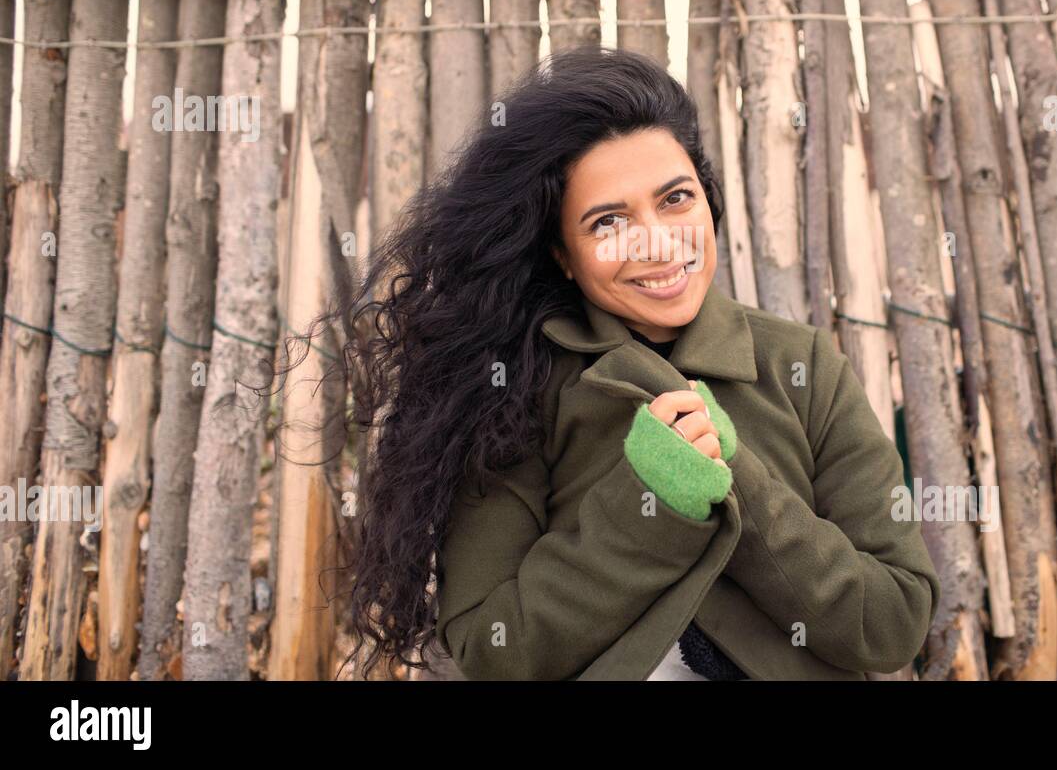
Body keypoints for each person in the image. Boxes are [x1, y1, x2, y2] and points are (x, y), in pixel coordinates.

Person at [332, 46, 940, 680]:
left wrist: (735, 480)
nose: (657, 240)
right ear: (563, 255)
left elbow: (893, 620)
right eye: (608, 221)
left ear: (708, 200)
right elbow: (493, 651)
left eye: (675, 198)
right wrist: (650, 504)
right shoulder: (512, 387)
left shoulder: (803, 367)